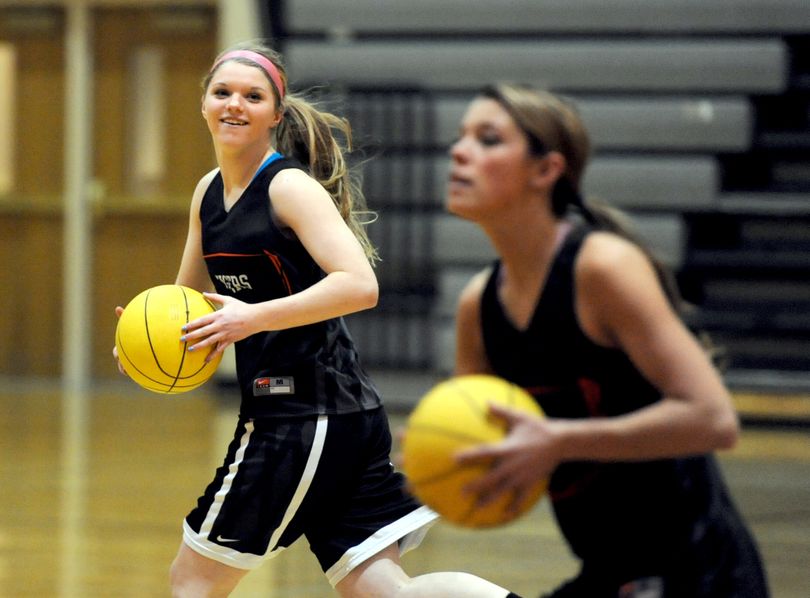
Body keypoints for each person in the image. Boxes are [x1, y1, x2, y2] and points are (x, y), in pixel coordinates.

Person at [113, 42, 523, 598]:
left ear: (275, 115)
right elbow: (186, 299)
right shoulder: (208, 193)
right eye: (223, 92)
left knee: (192, 579)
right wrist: (144, 339)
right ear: (204, 104)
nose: (235, 104)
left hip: (303, 415)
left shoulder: (288, 188)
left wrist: (251, 318)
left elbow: (360, 285)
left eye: (252, 96)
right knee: (382, 590)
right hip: (333, 413)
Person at [443, 83, 769, 597]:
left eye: (487, 139)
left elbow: (713, 419)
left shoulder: (603, 268)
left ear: (546, 170)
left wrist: (558, 442)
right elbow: (474, 450)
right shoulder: (478, 306)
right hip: (608, 578)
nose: (459, 151)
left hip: (697, 576)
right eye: (461, 137)